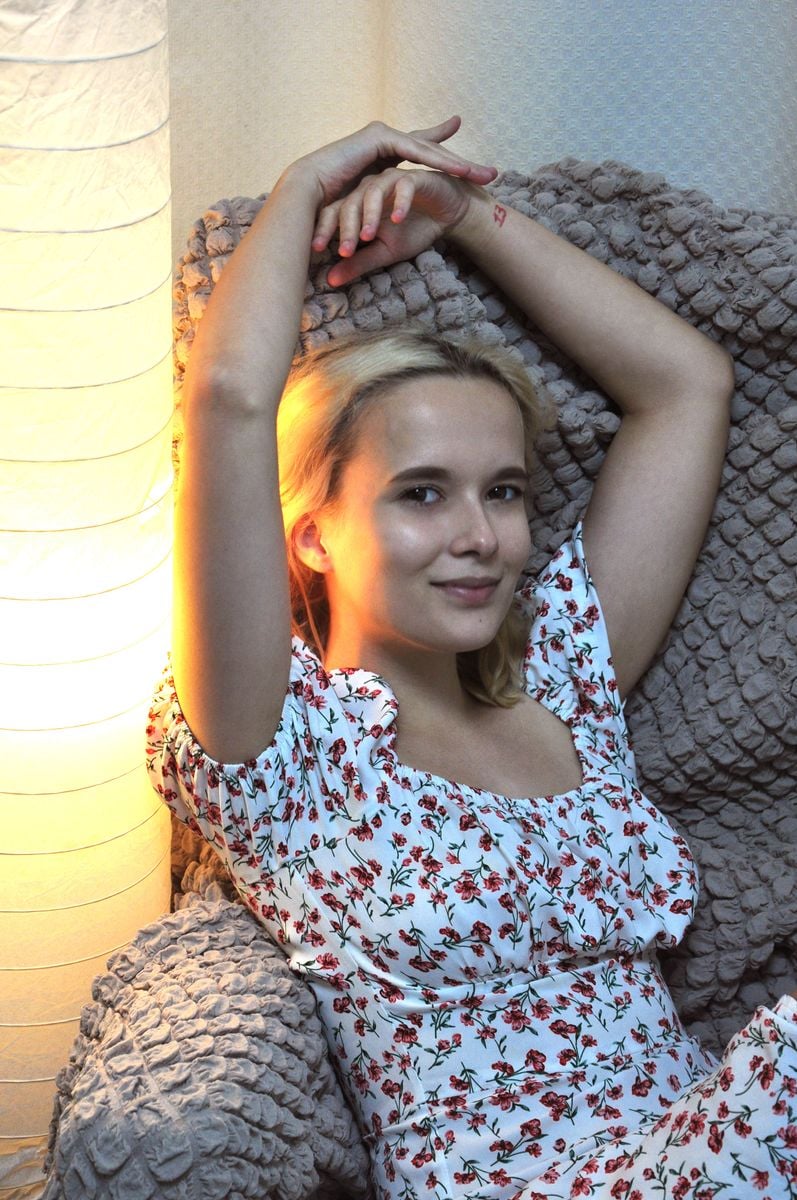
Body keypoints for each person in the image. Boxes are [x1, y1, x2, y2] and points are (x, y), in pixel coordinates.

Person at [148, 119, 797, 1199]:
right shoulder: (286, 747)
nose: (480, 536)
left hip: (701, 1151)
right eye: (421, 493)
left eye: (502, 492)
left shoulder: (565, 684)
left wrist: (461, 215)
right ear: (310, 534)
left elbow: (686, 384)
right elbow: (228, 401)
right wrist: (302, 188)